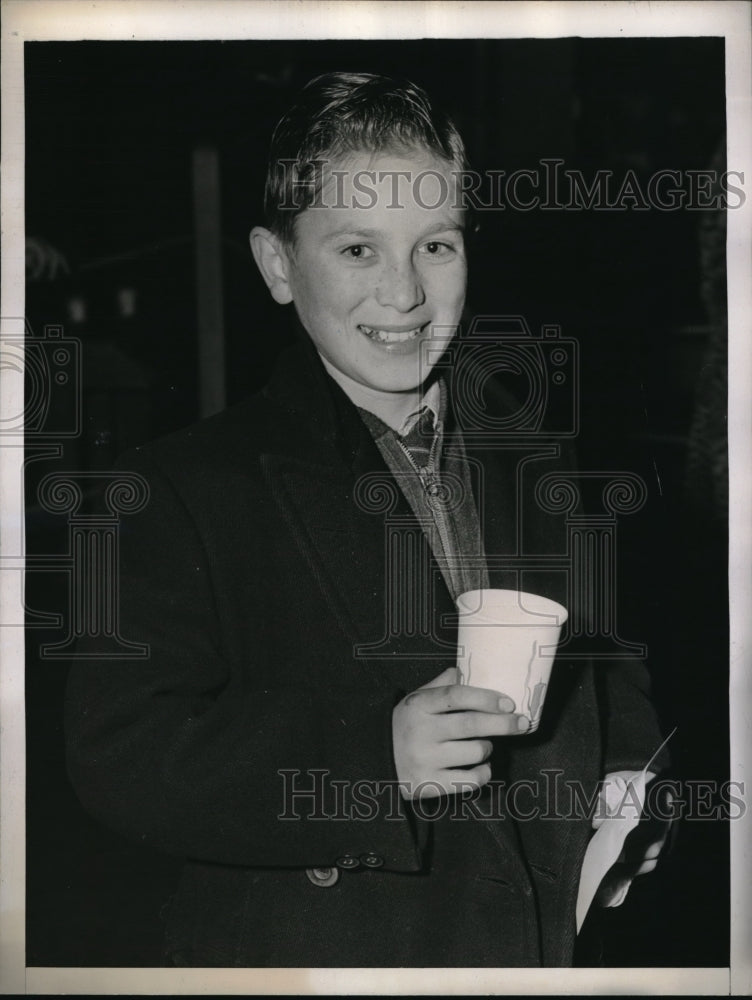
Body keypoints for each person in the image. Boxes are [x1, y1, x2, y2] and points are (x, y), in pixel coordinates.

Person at [65, 71, 669, 968]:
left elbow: (599, 655)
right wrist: (368, 763)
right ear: (278, 265)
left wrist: (626, 775)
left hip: (538, 945)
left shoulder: (532, 451)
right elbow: (121, 753)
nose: (405, 295)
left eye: (436, 246)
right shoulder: (182, 486)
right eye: (357, 251)